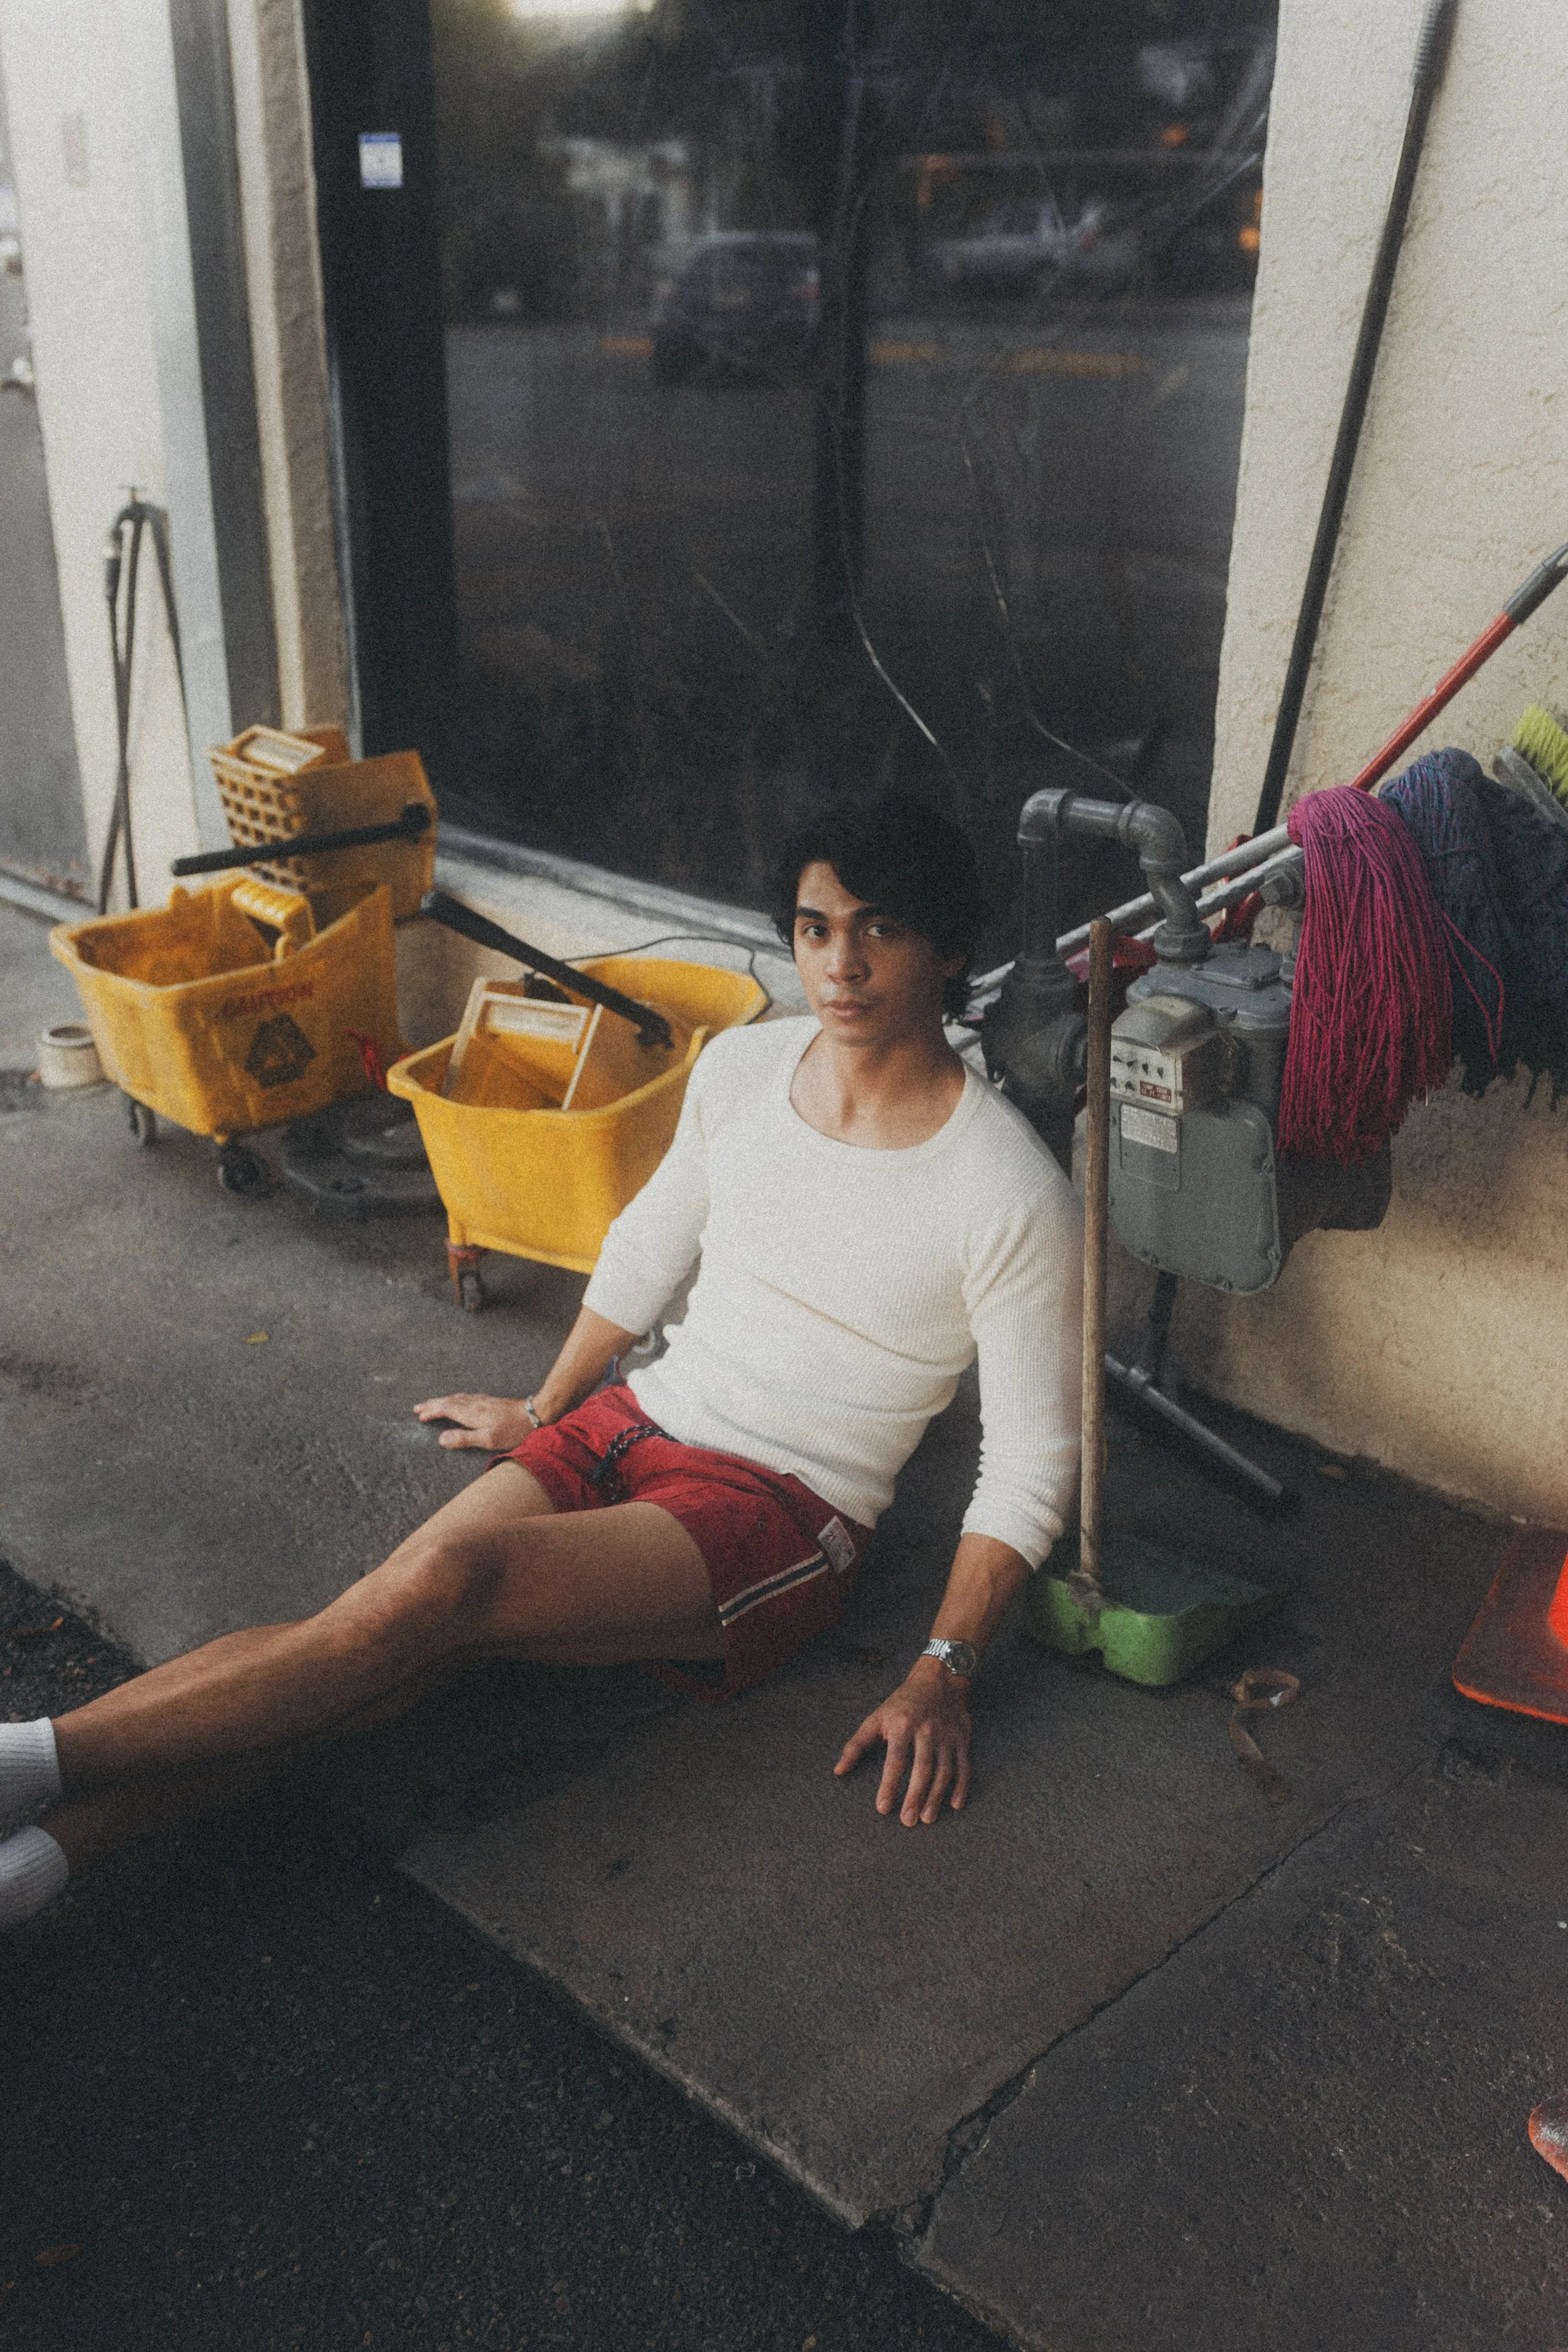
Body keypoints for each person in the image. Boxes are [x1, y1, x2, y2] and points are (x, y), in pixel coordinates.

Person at [0, 794, 1081, 1932]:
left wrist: (942, 1670)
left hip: (780, 1500)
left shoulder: (1005, 1188)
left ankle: (26, 1759)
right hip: (634, 1417)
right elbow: (651, 1241)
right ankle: (34, 1871)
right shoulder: (745, 1068)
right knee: (366, 1639)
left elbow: (1026, 1463)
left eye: (880, 929)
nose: (842, 963)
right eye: (816, 929)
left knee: (432, 1596)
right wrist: (549, 1404)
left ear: (951, 948)